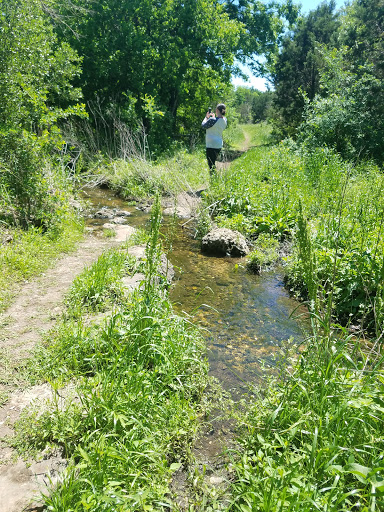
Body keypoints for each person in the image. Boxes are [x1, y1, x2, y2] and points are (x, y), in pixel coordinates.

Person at [201, 103, 227, 175]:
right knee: (213, 162)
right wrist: (213, 117)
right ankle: (214, 178)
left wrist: (206, 117)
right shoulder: (225, 120)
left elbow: (203, 125)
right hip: (218, 144)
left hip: (211, 144)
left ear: (217, 110)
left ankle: (213, 178)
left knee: (211, 164)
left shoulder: (213, 120)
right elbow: (217, 122)